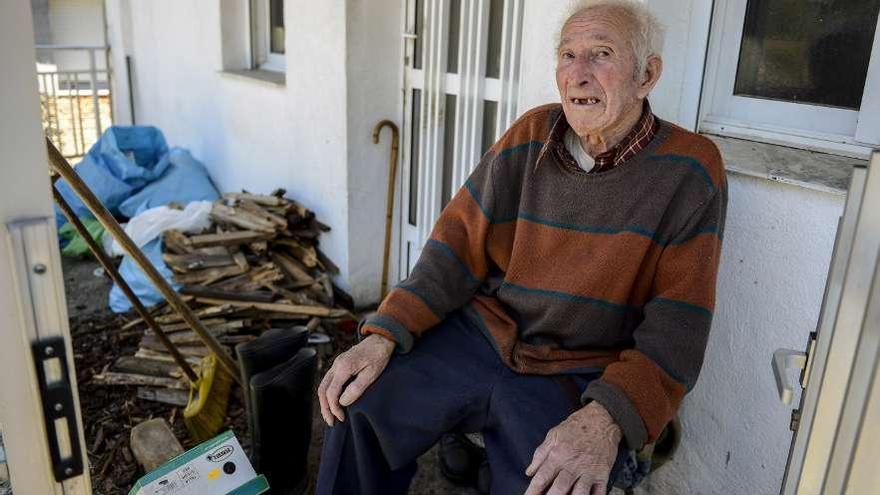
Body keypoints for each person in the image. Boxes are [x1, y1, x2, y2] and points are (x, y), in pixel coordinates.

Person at [316, 0, 727, 493]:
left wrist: (609, 416)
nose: (578, 74)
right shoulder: (532, 133)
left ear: (647, 76)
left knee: (555, 484)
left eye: (601, 54)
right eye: (567, 55)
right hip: (482, 335)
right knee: (358, 405)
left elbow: (678, 326)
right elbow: (453, 249)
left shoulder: (690, 169)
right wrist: (383, 333)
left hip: (580, 365)